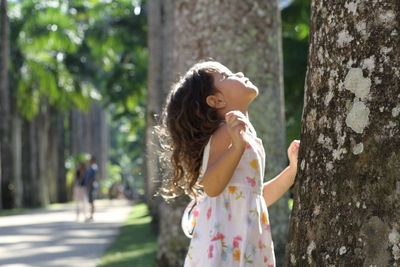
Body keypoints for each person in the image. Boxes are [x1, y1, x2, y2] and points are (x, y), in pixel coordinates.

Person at [158, 60, 300, 266]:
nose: (240, 73)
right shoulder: (225, 133)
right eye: (226, 76)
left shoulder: (244, 135)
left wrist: (292, 170)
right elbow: (212, 186)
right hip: (223, 245)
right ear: (216, 101)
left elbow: (256, 198)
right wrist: (236, 146)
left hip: (243, 240)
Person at [83, 156, 98, 221]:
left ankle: (91, 216)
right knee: (90, 201)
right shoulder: (90, 168)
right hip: (89, 186)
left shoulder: (93, 168)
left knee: (91, 201)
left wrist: (89, 186)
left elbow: (92, 178)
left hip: (91, 186)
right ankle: (90, 215)